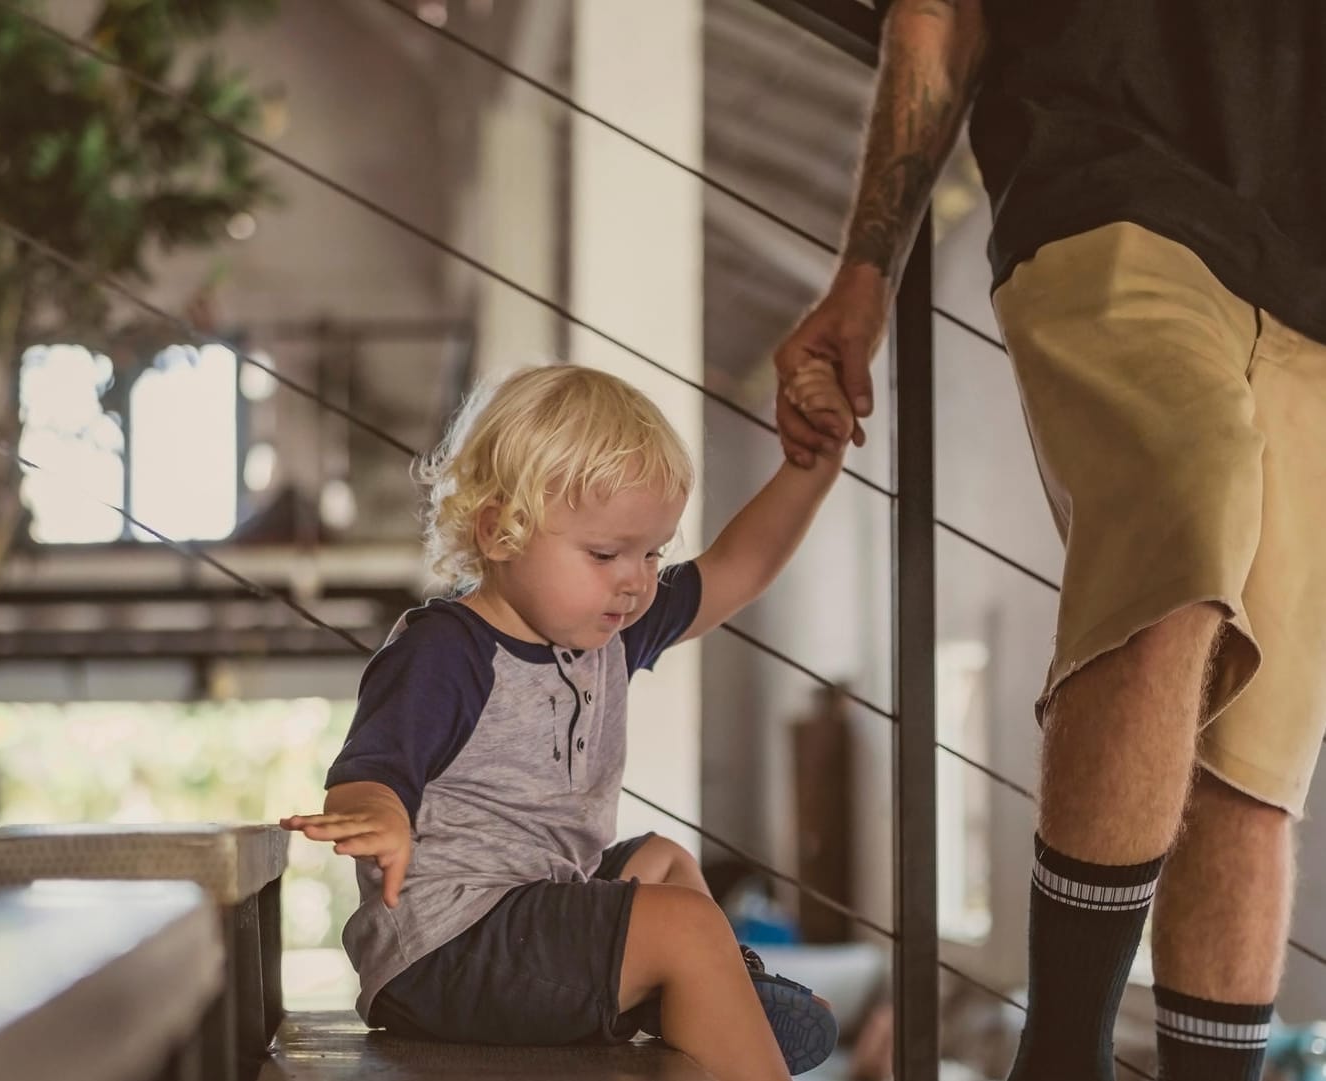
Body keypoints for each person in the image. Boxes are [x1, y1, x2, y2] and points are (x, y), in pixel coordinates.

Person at [771, 2, 1326, 1079]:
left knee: (1257, 753)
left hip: (1310, 270)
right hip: (1105, 171)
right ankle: (1059, 1054)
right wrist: (863, 270)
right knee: (1182, 518)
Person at [283, 362, 850, 1081]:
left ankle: (725, 993)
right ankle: (719, 1000)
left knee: (663, 861)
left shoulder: (607, 631)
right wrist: (376, 815)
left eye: (652, 552)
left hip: (536, 907)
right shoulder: (446, 648)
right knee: (683, 924)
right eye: (605, 552)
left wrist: (815, 465)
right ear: (498, 532)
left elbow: (738, 564)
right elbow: (371, 773)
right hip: (448, 946)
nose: (636, 578)